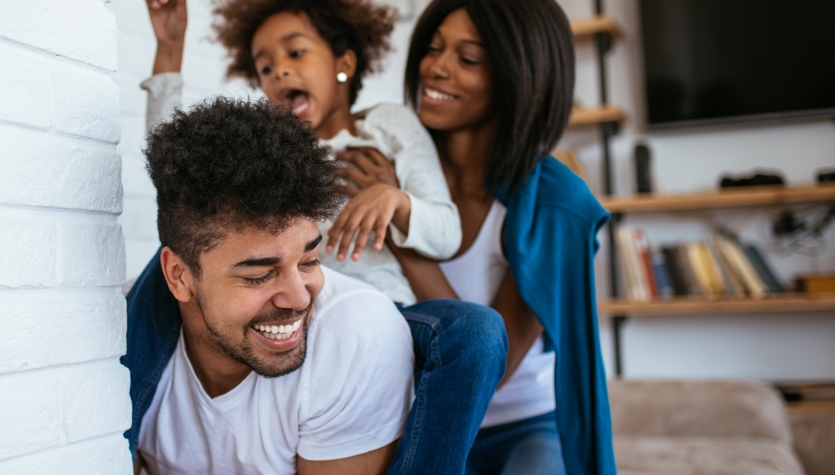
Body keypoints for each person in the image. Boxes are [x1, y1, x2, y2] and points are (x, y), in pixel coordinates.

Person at [123, 97, 507, 474]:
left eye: (309, 261)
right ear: (177, 275)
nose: (301, 296)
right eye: (259, 275)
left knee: (475, 332)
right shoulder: (118, 347)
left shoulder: (355, 331)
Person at [338, 0, 617, 473]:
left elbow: (491, 365)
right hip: (411, 415)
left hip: (523, 423)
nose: (435, 68)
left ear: (518, 75)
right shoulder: (386, 160)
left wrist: (404, 226)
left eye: (467, 59)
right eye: (432, 48)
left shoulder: (554, 204)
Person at [144, 0, 461, 306]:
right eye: (265, 67)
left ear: (344, 64)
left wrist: (394, 200)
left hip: (390, 306)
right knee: (171, 258)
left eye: (296, 52)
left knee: (477, 329)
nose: (279, 70)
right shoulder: (270, 154)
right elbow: (175, 166)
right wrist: (170, 48)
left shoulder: (386, 125)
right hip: (301, 312)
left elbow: (447, 235)